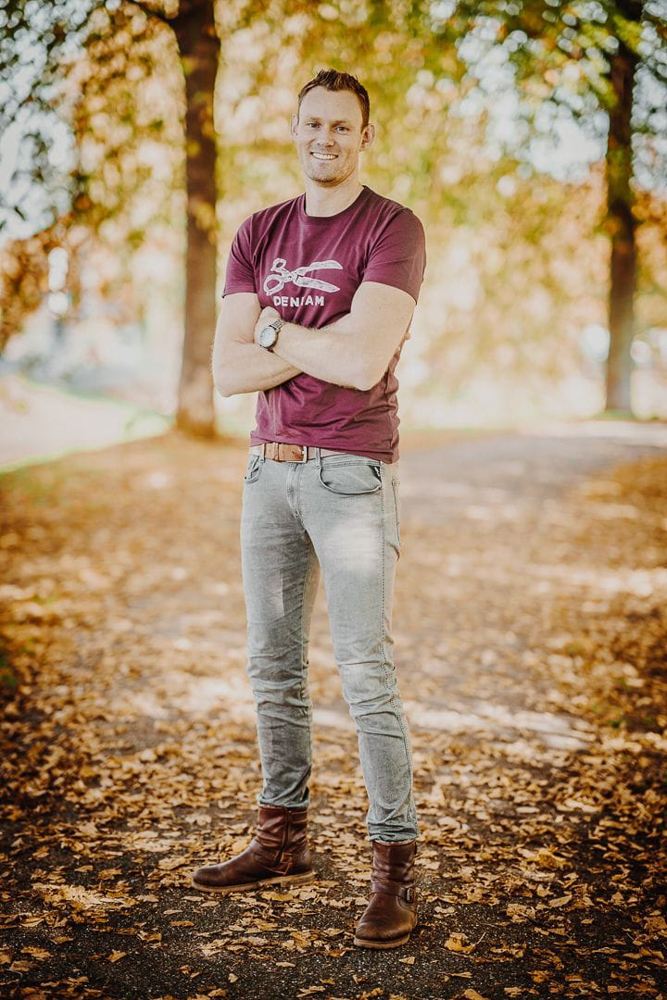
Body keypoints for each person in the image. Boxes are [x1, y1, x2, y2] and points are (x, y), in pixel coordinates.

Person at [192, 68, 426, 950]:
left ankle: (392, 872)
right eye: (311, 124)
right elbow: (227, 372)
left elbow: (363, 363)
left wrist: (269, 331)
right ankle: (281, 839)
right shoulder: (258, 230)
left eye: (340, 126)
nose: (324, 138)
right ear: (295, 130)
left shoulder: (391, 228)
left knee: (364, 673)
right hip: (268, 472)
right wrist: (317, 341)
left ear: (365, 136)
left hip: (351, 475)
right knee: (272, 666)